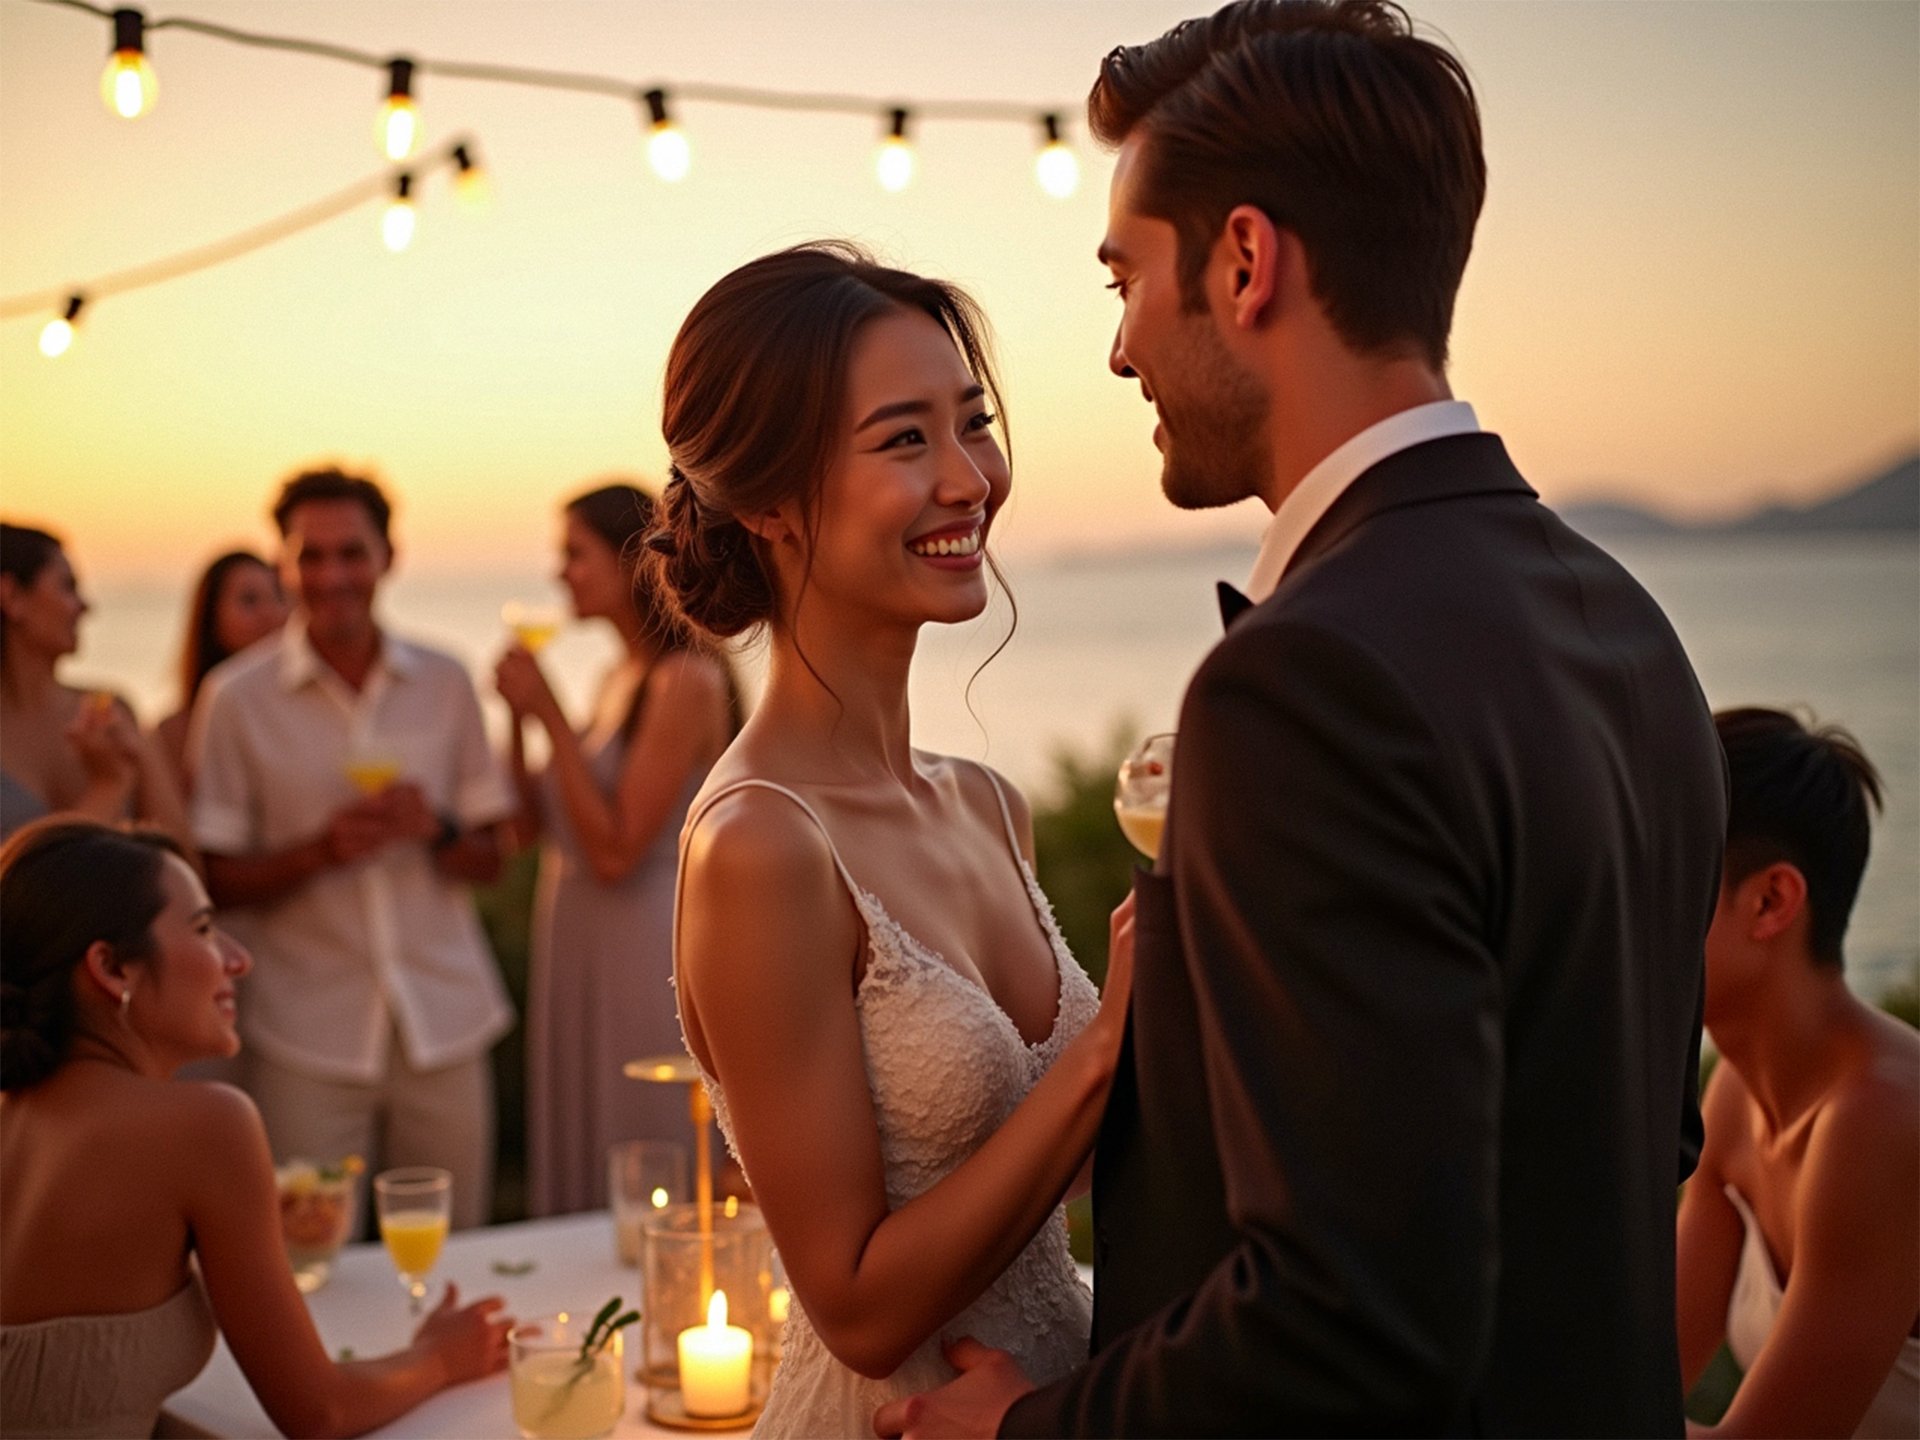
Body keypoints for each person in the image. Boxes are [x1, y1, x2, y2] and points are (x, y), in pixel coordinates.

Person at [882, 3, 1727, 1436]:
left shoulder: (1308, 677)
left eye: (1125, 279)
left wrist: (1032, 1430)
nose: (1120, 350)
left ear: (1245, 262)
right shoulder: (1629, 627)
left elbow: (1350, 1323)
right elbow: (1639, 1142)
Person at [644, 243, 1135, 1437]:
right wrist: (1109, 1044)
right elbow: (858, 1308)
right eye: (905, 440)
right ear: (770, 502)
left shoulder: (988, 805)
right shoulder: (761, 845)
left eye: (973, 424)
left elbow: (1047, 1167)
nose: (969, 479)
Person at [0, 818, 511, 1439]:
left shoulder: (18, 1116)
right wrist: (442, 1356)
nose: (238, 960)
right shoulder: (204, 1126)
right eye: (204, 930)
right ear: (112, 968)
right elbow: (320, 1412)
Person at [190, 468, 514, 1230]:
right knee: (308, 1259)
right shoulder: (236, 699)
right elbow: (212, 881)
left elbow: (493, 857)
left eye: (351, 554)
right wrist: (319, 852)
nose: (332, 576)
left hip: (444, 1021)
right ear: (283, 564)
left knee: (453, 1247)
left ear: (388, 557)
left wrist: (434, 828)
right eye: (312, 556)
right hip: (305, 1033)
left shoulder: (445, 681)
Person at [494, 482, 737, 1216]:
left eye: (576, 554)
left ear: (631, 560)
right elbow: (528, 828)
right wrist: (520, 720)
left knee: (639, 1121)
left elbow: (616, 851)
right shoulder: (614, 679)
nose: (560, 573)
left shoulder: (685, 681)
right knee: (584, 1120)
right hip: (578, 933)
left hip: (640, 941)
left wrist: (549, 713)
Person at [1676, 708, 1918, 1438]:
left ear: (1771, 901)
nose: (1619, 910)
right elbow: (1637, 1375)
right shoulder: (1735, 1098)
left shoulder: (1879, 1119)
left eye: (1657, 878)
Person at [0, 522, 194, 851]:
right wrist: (109, 786)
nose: (85, 607)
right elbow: (31, 881)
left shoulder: (109, 711)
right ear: (12, 595)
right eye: (68, 587)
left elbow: (183, 859)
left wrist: (138, 757)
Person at [155, 549, 289, 794]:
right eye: (250, 600)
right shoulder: (174, 733)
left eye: (279, 597)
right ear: (211, 617)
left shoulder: (302, 714)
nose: (270, 613)